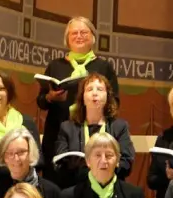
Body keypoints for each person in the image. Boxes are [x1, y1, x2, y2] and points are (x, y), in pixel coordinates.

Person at [38, 16, 120, 164]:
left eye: (84, 32)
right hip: (57, 132)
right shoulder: (56, 65)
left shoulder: (103, 67)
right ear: (67, 39)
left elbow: (115, 101)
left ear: (93, 37)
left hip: (94, 133)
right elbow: (41, 101)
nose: (79, 36)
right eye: (74, 33)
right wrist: (50, 97)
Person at [53, 73, 136, 185]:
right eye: (90, 89)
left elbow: (126, 163)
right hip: (77, 188)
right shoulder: (67, 128)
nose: (95, 93)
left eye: (100, 89)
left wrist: (103, 171)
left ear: (107, 96)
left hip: (110, 186)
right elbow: (59, 165)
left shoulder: (119, 127)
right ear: (82, 97)